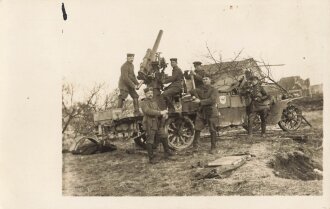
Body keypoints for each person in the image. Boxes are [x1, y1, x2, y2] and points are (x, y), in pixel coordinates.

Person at [141, 87, 174, 164]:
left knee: (164, 136)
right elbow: (147, 111)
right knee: (150, 140)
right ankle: (151, 159)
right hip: (149, 123)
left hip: (157, 123)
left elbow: (159, 110)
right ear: (145, 94)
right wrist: (160, 113)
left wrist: (164, 114)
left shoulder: (154, 102)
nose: (150, 94)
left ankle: (167, 152)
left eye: (151, 93)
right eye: (148, 93)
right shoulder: (144, 102)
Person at [190, 76, 220, 154]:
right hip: (202, 112)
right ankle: (195, 148)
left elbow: (212, 100)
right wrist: (193, 96)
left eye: (207, 79)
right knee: (197, 129)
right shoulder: (200, 89)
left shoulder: (214, 90)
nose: (205, 80)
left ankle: (213, 148)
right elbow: (192, 91)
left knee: (212, 130)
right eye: (203, 79)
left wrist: (200, 101)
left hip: (211, 111)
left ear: (210, 80)